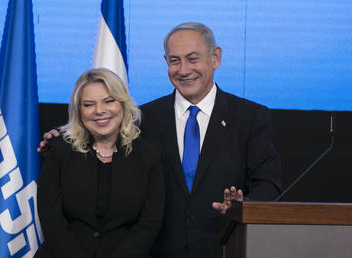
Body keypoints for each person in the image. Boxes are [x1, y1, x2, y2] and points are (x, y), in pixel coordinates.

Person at [39, 22, 282, 258]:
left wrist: (243, 208)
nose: (184, 70)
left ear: (215, 57)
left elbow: (269, 183)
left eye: (193, 58)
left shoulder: (251, 117)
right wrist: (59, 141)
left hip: (223, 247)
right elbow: (98, 165)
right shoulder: (140, 121)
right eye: (175, 60)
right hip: (155, 251)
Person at [34, 68, 165, 258]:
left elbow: (150, 223)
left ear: (122, 104)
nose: (100, 111)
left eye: (109, 101)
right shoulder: (59, 151)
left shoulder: (148, 155)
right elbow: (51, 219)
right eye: (89, 104)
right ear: (79, 111)